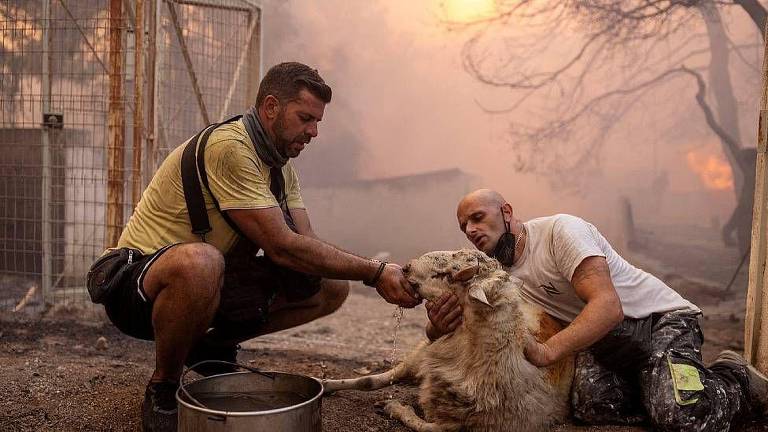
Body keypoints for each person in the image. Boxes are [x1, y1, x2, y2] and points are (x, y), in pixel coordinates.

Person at [86, 62, 420, 432]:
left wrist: (396, 275)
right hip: (139, 289)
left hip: (208, 288)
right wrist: (375, 272)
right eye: (305, 118)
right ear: (271, 107)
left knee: (329, 287)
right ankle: (164, 386)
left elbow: (304, 246)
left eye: (317, 123)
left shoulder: (281, 168)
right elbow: (281, 247)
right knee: (201, 261)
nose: (313, 132)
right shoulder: (230, 148)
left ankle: (207, 348)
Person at [425, 188, 768, 431]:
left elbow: (608, 307)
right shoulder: (499, 277)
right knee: (590, 406)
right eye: (464, 226)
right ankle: (658, 385)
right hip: (604, 341)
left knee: (682, 418)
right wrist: (436, 329)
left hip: (658, 322)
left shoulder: (561, 231)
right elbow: (472, 326)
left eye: (478, 217)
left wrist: (547, 352)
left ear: (507, 212)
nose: (471, 230)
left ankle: (733, 377)